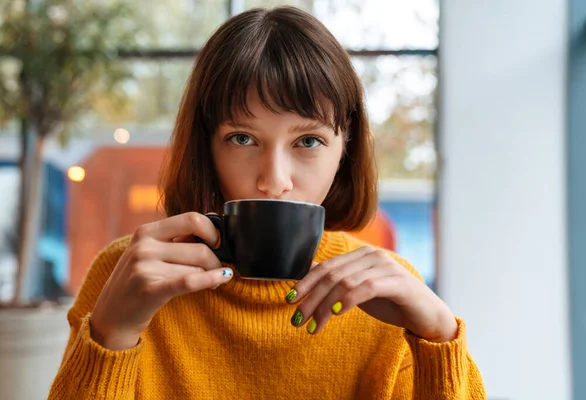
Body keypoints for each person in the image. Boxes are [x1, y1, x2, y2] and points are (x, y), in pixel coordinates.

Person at [49, 6, 485, 399]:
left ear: (345, 150)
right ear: (207, 146)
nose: (273, 180)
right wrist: (113, 334)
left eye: (308, 140)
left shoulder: (387, 299)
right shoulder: (127, 276)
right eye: (243, 138)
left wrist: (438, 335)